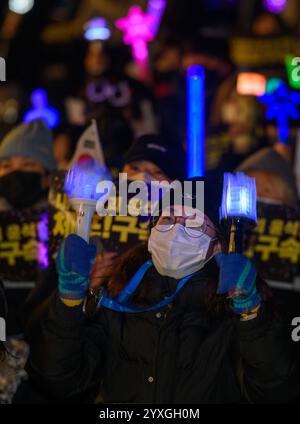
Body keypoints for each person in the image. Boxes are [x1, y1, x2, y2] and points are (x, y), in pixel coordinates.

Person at [24, 181, 300, 404]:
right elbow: (59, 379)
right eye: (168, 218)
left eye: (193, 223)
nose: (176, 230)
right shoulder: (116, 296)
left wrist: (251, 316)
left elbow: (274, 391)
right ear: (151, 231)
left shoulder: (230, 311)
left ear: (217, 245)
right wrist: (68, 302)